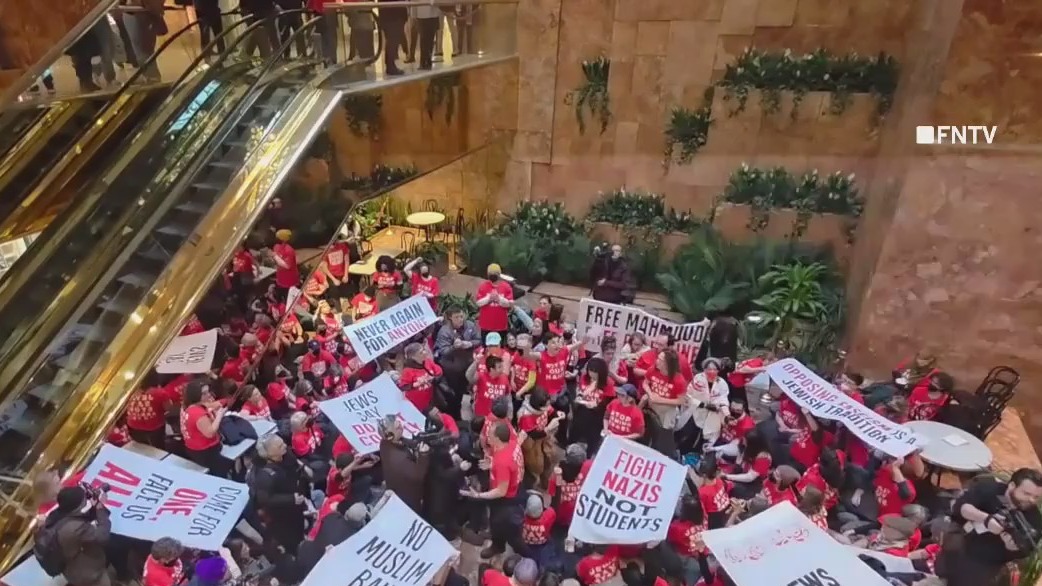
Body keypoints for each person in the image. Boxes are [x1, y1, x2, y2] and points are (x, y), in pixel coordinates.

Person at [938, 469, 1042, 585]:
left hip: (984, 564)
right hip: (959, 542)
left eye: (1036, 497)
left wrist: (1011, 548)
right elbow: (961, 507)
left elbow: (1026, 550)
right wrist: (986, 519)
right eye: (1026, 494)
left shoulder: (1034, 519)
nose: (1031, 500)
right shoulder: (991, 489)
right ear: (1012, 486)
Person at [461, 421, 527, 559]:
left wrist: (478, 495)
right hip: (516, 488)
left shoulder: (502, 462)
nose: (487, 437)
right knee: (499, 523)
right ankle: (499, 543)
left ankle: (520, 554)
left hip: (506, 500)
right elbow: (512, 466)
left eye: (490, 435)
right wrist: (492, 464)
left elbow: (500, 491)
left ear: (498, 438)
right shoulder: (512, 445)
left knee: (507, 529)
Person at [39, 486, 112, 586]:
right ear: (77, 506)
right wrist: (100, 508)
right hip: (89, 574)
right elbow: (102, 536)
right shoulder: (75, 528)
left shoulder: (55, 515)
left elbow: (76, 516)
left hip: (70, 570)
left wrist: (93, 506)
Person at [251, 435, 309, 554]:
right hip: (283, 516)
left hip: (297, 503)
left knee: (300, 527)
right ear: (269, 453)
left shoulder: (286, 455)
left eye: (283, 443)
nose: (284, 447)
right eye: (280, 446)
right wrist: (291, 499)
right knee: (293, 539)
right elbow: (264, 499)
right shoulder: (264, 475)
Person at [379, 414, 431, 513]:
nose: (401, 427)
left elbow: (401, 441)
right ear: (390, 435)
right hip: (408, 497)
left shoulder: (385, 442)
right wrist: (423, 455)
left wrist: (414, 443)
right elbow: (418, 475)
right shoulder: (398, 459)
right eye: (397, 427)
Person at [179, 381, 229, 476]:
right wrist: (219, 415)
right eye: (204, 393)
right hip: (206, 452)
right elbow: (210, 433)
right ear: (196, 395)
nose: (208, 395)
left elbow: (209, 405)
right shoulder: (197, 413)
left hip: (193, 447)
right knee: (223, 470)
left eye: (208, 392)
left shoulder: (187, 406)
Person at [400, 342, 445, 411]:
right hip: (418, 403)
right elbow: (403, 386)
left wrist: (434, 379)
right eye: (421, 352)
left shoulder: (428, 361)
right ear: (413, 357)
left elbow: (439, 371)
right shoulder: (407, 370)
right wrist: (415, 384)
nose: (425, 352)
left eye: (424, 349)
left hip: (432, 397)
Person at [476, 263, 514, 337]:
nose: (492, 275)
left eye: (495, 273)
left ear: (499, 274)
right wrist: (489, 298)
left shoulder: (506, 286)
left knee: (500, 347)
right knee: (485, 347)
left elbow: (510, 304)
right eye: (491, 273)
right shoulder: (483, 286)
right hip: (485, 325)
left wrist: (499, 298)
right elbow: (478, 303)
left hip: (501, 326)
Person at [377, 0, 408, 75]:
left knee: (392, 40)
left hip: (390, 14)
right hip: (393, 15)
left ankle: (390, 64)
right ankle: (390, 66)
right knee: (393, 40)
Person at [272, 229, 300, 299]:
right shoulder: (276, 247)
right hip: (280, 278)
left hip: (289, 280)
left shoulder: (289, 250)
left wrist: (275, 256)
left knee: (290, 299)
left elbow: (287, 266)